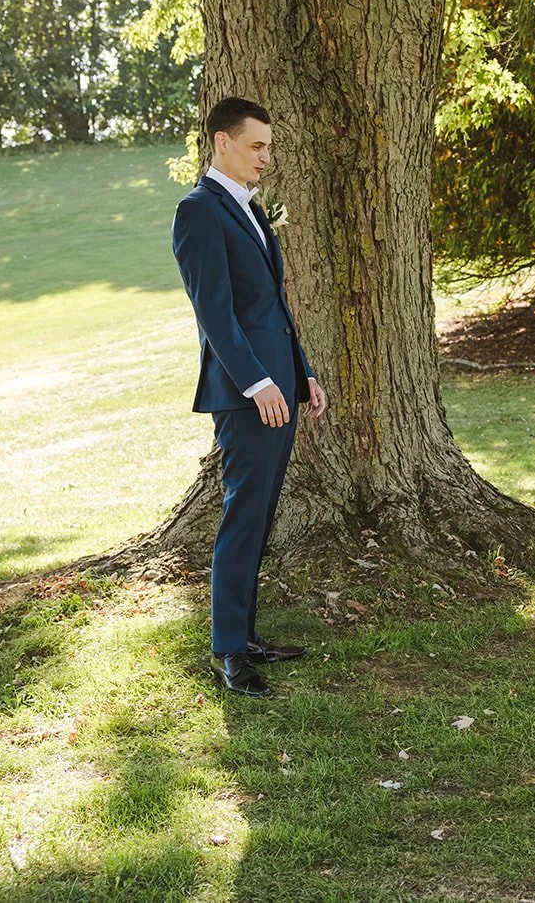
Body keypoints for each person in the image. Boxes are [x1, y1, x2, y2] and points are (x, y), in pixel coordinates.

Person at [171, 96, 328, 697]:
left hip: (280, 387)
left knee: (260, 517)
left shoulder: (250, 210)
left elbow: (274, 310)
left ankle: (246, 633)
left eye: (268, 145)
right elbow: (214, 312)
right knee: (242, 519)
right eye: (256, 145)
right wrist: (259, 382)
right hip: (248, 396)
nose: (267, 156)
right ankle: (229, 652)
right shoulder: (200, 212)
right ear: (222, 142)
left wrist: (301, 371)